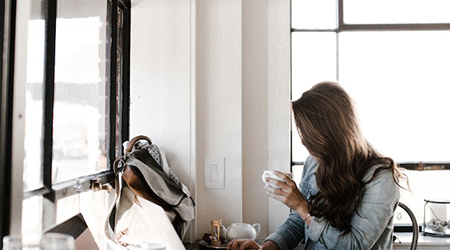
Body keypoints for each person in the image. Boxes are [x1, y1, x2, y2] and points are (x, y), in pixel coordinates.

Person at [227, 81, 406, 250]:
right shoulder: (314, 163)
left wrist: (303, 206)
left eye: (309, 137)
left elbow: (354, 246)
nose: (305, 143)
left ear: (330, 134)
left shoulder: (381, 178)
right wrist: (266, 247)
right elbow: (298, 223)